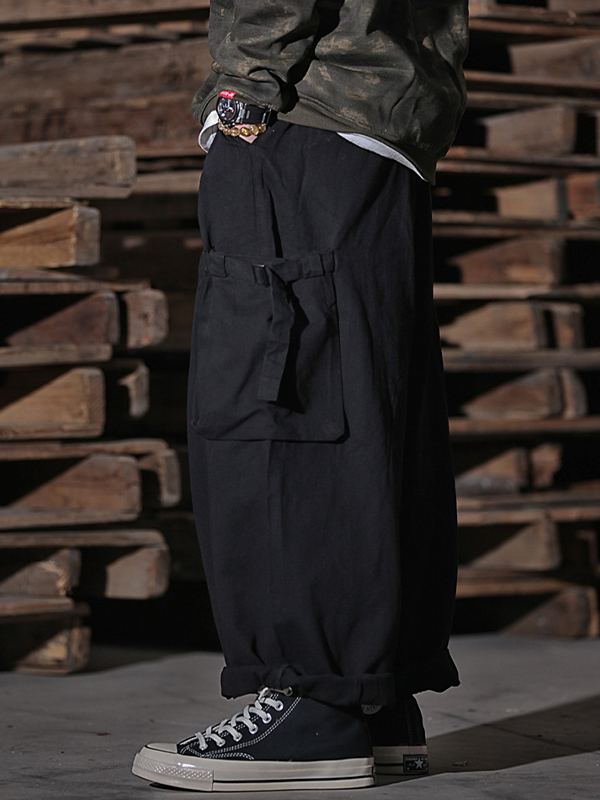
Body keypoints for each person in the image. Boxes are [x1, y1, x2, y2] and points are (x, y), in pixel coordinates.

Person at [133, 0, 469, 792]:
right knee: (368, 403)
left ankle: (315, 703)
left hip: (301, 108)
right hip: (383, 114)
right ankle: (376, 700)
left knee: (281, 408)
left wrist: (243, 84)